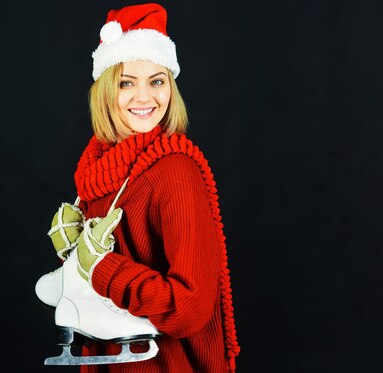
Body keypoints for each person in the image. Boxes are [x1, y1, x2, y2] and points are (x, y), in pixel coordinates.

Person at [40, 3, 240, 372]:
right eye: (126, 82)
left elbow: (190, 308)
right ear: (104, 90)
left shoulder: (174, 169)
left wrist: (98, 266)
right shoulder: (96, 174)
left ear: (171, 87)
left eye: (157, 81)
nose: (145, 97)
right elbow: (108, 285)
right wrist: (75, 257)